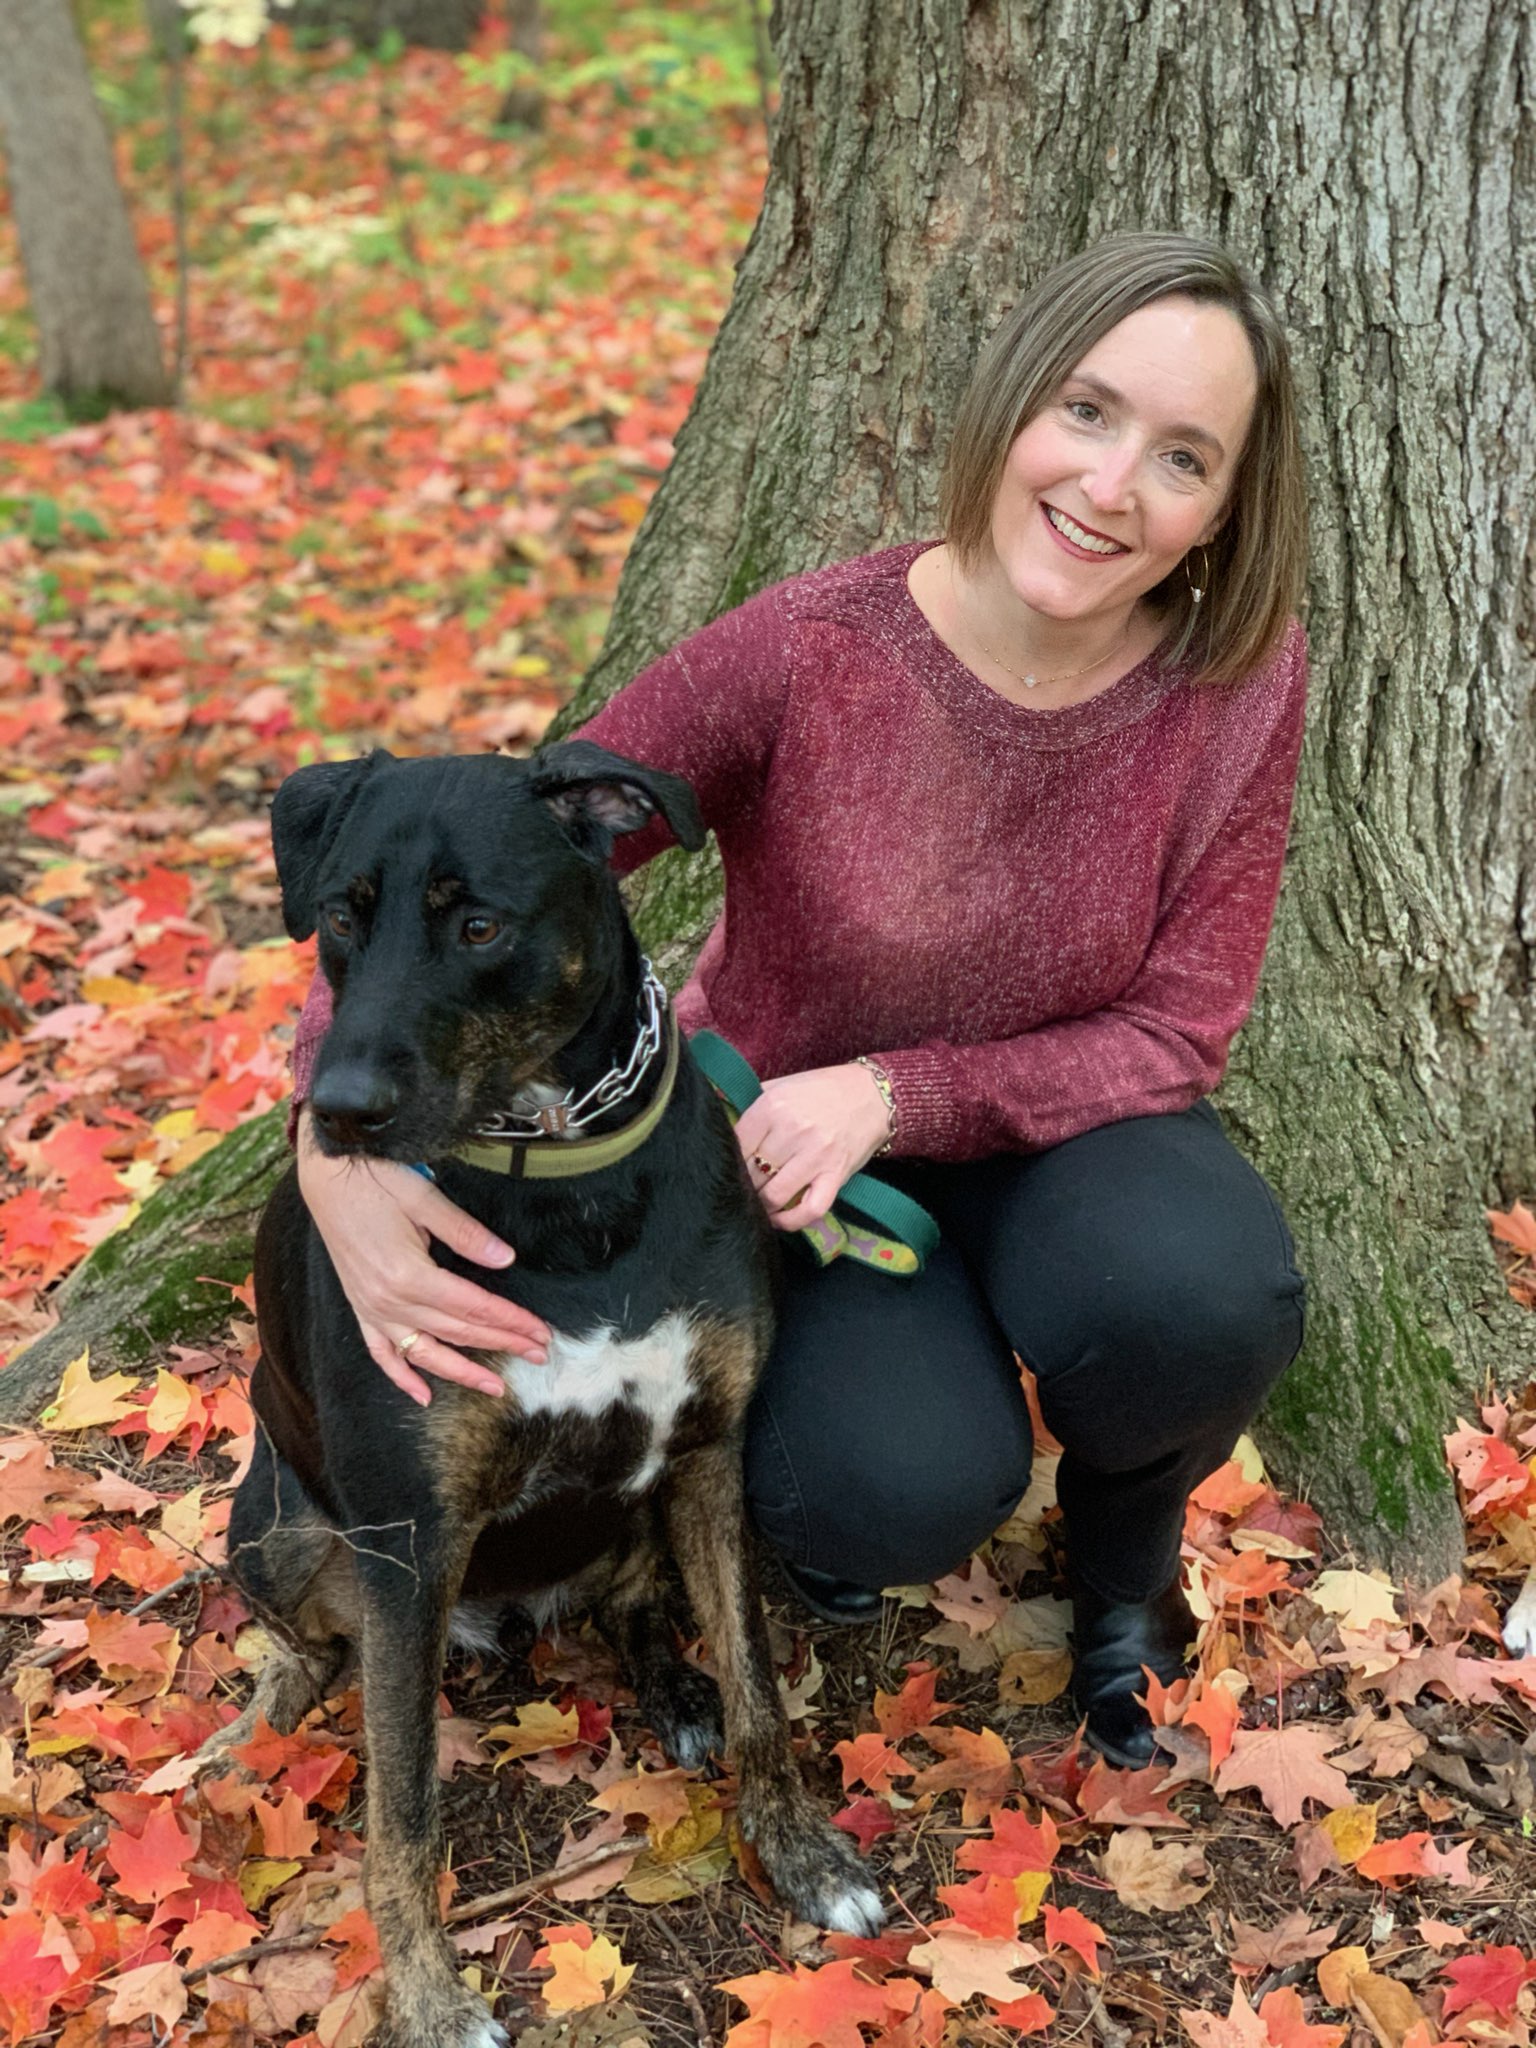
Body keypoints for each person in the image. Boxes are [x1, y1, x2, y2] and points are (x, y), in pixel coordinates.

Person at [288, 230, 1310, 1768]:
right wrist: (333, 1141)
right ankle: (869, 1477)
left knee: (1197, 1297)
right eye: (1087, 414)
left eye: (1183, 456)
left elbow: (1181, 1028)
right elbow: (512, 848)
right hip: (784, 1166)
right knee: (880, 1486)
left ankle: (1124, 1570)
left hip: (1080, 1137)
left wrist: (903, 1093)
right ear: (1015, 405)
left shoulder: (1240, 681)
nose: (1114, 487)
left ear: (1227, 507)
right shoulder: (817, 644)